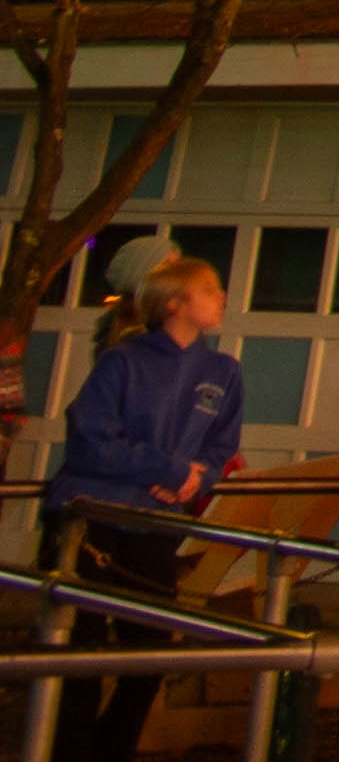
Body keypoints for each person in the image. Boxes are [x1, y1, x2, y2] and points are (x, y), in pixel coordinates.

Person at [50, 253, 243, 762]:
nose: (221, 299)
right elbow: (90, 439)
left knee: (150, 652)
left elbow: (220, 448)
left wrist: (196, 477)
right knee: (82, 655)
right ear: (176, 302)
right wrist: (167, 469)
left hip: (155, 524)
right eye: (209, 289)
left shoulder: (222, 372)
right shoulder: (124, 361)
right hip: (95, 517)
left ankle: (110, 750)